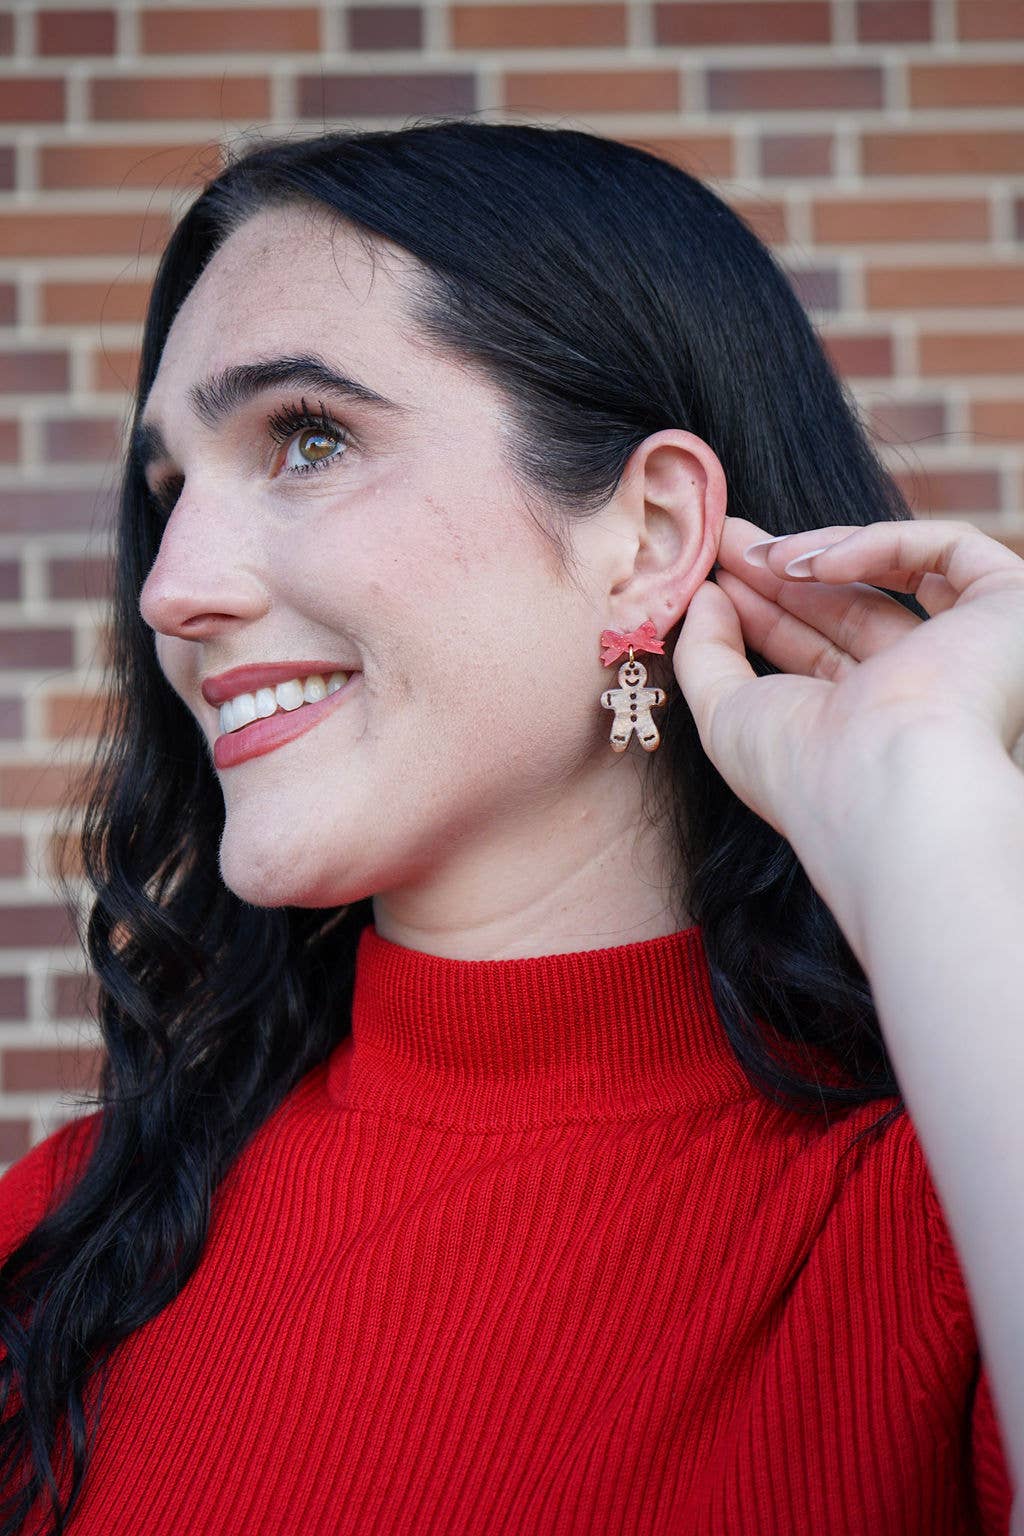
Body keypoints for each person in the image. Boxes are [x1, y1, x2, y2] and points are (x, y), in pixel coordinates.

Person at [0, 119, 1019, 1535]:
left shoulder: (952, 1219)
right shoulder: (60, 1240)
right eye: (170, 490)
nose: (171, 588)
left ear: (648, 539)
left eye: (307, 438)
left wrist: (932, 801)